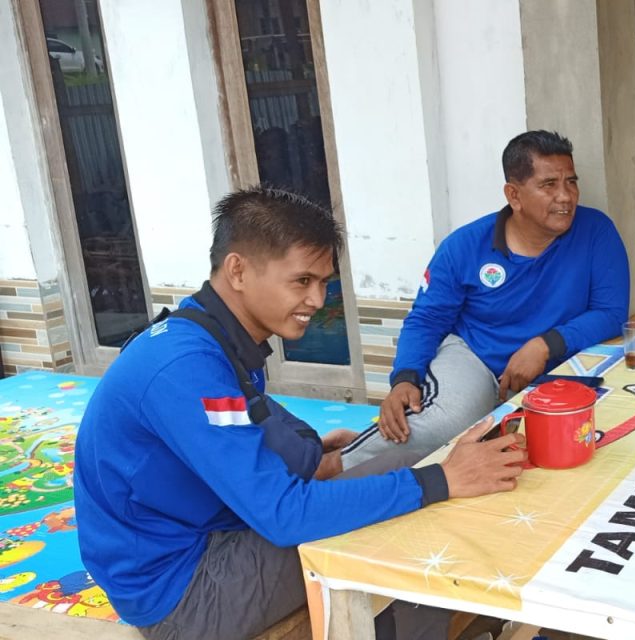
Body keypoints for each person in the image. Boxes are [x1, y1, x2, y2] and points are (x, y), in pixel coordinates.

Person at [73, 187, 526, 639]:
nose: (318, 299)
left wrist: (314, 453)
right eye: (302, 281)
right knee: (417, 505)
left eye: (324, 281)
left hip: (217, 534)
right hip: (182, 592)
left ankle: (436, 622)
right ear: (238, 270)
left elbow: (259, 416)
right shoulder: (184, 367)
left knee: (406, 457)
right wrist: (444, 480)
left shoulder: (208, 333)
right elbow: (284, 515)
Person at [343, 130, 630, 468]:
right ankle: (333, 464)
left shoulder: (596, 231)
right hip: (474, 359)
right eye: (549, 185)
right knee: (449, 424)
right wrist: (405, 376)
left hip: (559, 368)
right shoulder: (463, 246)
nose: (565, 197)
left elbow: (611, 312)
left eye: (571, 182)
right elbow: (426, 319)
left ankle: (352, 444)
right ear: (514, 195)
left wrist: (545, 345)